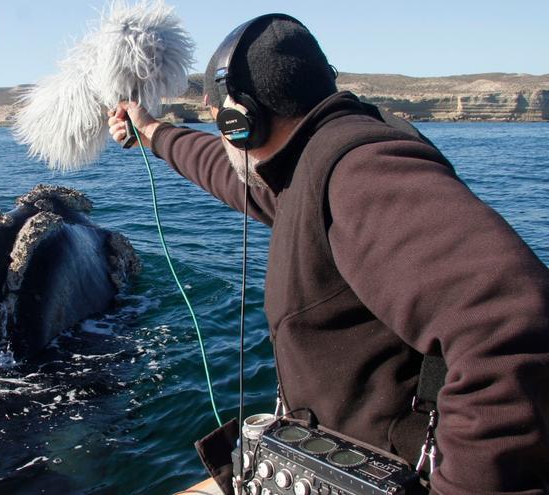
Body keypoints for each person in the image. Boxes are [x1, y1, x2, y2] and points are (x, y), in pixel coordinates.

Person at [107, 13, 549, 495]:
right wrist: (150, 130)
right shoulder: (308, 162)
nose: (224, 140)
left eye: (224, 126)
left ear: (241, 121)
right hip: (334, 462)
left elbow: (511, 325)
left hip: (389, 472)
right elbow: (222, 168)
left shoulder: (360, 173)